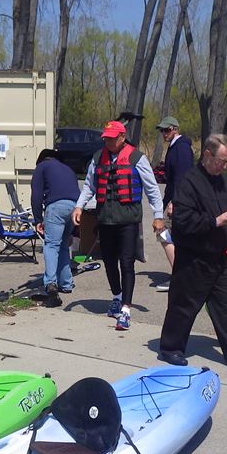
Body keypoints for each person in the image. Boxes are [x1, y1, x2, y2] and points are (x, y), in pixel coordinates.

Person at [157, 134, 227, 368]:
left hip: (219, 258)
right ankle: (170, 348)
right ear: (207, 154)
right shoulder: (188, 182)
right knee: (183, 306)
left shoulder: (223, 182)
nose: (225, 166)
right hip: (193, 258)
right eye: (222, 161)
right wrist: (214, 221)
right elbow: (183, 221)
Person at [73, 120, 165, 331]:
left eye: (112, 138)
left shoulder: (137, 158)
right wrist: (79, 206)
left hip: (128, 221)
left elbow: (152, 189)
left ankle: (125, 309)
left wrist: (158, 216)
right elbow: (89, 186)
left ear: (122, 137)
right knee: (109, 261)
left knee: (127, 263)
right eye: (106, 138)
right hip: (105, 220)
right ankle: (116, 296)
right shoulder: (98, 158)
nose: (108, 141)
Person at [30, 148, 82, 306]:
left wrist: (38, 219)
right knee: (64, 245)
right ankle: (66, 283)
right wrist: (74, 229)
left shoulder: (42, 167)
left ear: (41, 159)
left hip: (56, 208)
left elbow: (36, 194)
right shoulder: (68, 169)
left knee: (52, 245)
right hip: (75, 208)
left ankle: (50, 283)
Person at [155, 115, 194, 292]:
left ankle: (179, 277)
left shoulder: (182, 148)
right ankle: (183, 274)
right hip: (173, 198)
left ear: (175, 129)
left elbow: (183, 177)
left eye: (167, 130)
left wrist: (175, 202)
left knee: (163, 234)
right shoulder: (174, 147)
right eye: (162, 130)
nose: (164, 133)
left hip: (179, 200)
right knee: (173, 237)